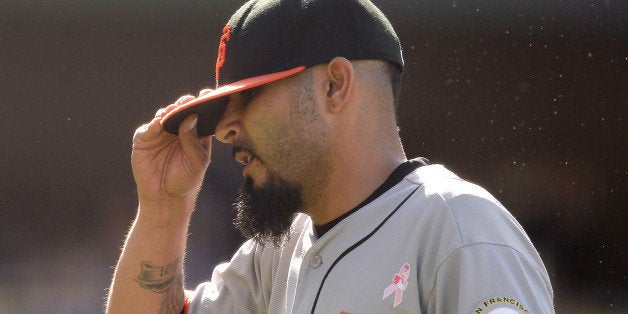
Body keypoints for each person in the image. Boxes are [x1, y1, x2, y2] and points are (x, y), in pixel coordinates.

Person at [106, 0, 554, 313]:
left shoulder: (458, 227)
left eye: (251, 98)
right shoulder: (273, 257)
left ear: (334, 86)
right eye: (225, 109)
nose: (225, 130)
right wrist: (163, 208)